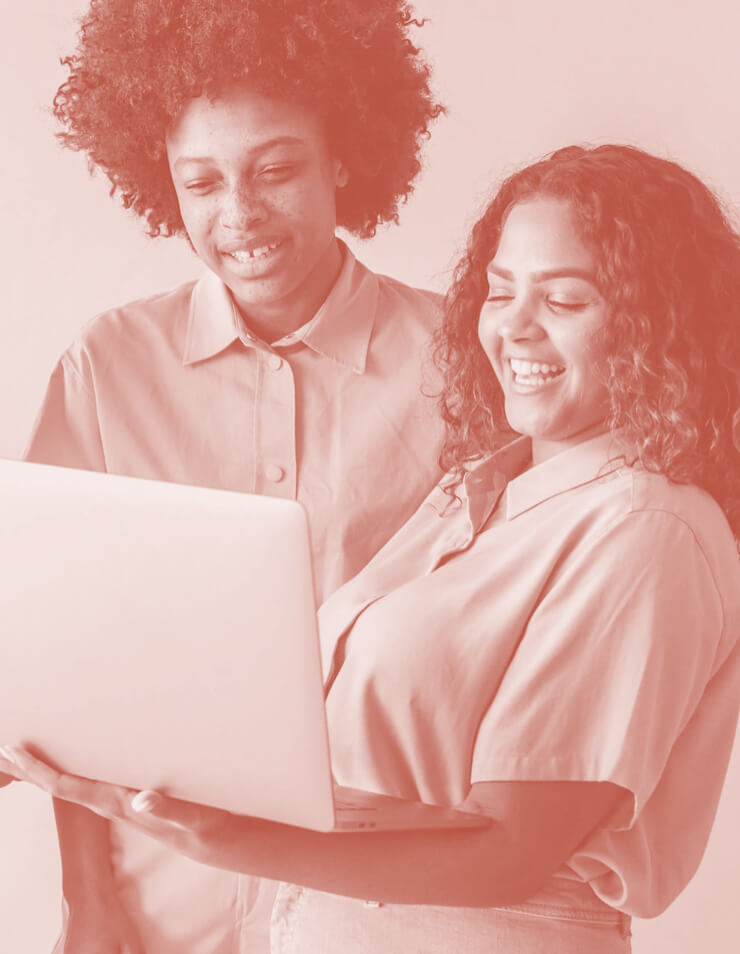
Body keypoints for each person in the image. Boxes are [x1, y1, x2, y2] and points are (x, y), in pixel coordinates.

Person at [5, 143, 739, 952]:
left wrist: (226, 838)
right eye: (500, 291)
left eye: (565, 300)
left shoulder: (648, 528)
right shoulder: (480, 489)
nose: (515, 326)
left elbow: (511, 852)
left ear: (659, 325)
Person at [14, 1, 447, 952]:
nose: (238, 215)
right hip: (164, 910)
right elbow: (67, 668)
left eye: (277, 170)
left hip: (384, 916)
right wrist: (88, 899)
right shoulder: (109, 365)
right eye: (200, 181)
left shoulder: (461, 365)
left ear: (343, 160)